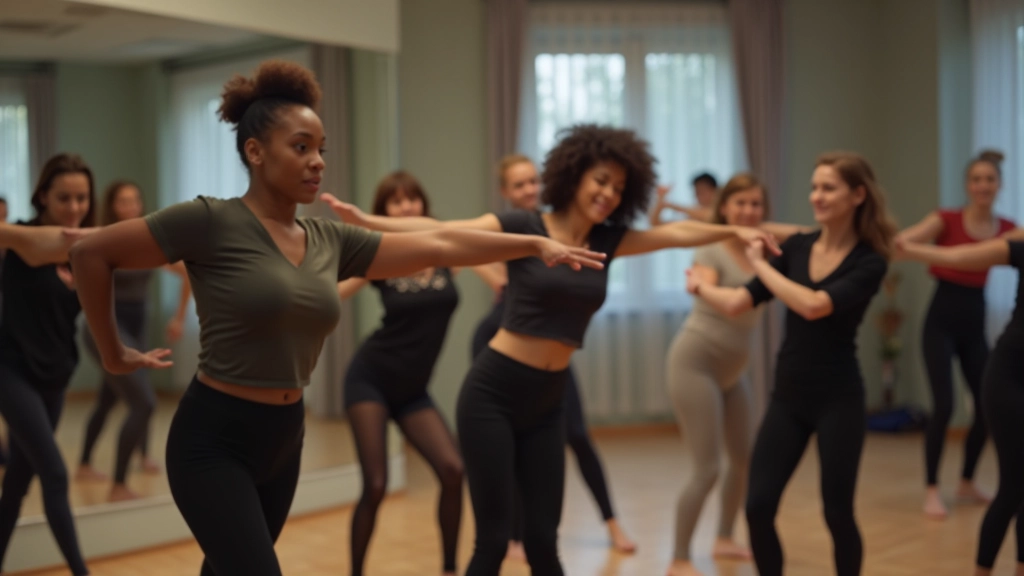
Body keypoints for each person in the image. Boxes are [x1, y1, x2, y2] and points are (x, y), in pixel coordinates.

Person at [68, 60, 604, 576]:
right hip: (213, 438)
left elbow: (438, 241)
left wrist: (533, 243)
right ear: (255, 151)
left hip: (283, 437)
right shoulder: (209, 222)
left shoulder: (329, 239)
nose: (317, 161)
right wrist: (113, 353)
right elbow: (92, 255)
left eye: (320, 149)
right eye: (300, 148)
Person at [322, 123, 780, 576]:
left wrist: (731, 232)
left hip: (548, 400)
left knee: (544, 542)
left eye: (620, 187)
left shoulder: (608, 241)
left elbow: (675, 235)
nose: (609, 194)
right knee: (494, 542)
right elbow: (443, 230)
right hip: (493, 394)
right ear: (575, 174)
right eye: (601, 180)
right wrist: (367, 222)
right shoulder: (525, 226)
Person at [688, 152, 896, 576]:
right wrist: (702, 289)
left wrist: (762, 265)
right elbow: (736, 302)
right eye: (815, 186)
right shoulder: (797, 248)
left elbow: (815, 305)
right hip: (789, 396)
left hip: (839, 396)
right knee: (758, 506)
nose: (816, 195)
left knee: (837, 513)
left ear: (858, 195)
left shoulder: (870, 260)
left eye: (828, 187)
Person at [470, 154, 636, 561]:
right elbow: (451, 240)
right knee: (502, 470)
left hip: (551, 367)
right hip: (501, 345)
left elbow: (673, 235)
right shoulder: (514, 227)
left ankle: (610, 520)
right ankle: (510, 533)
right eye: (520, 185)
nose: (529, 190)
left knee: (576, 434)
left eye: (533, 182)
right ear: (507, 193)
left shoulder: (570, 230)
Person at [660, 173, 809, 576]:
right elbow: (712, 289)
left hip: (732, 371)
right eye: (739, 203)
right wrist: (703, 288)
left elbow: (809, 233)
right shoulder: (711, 247)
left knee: (742, 460)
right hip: (695, 363)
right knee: (706, 467)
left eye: (756, 204)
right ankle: (679, 557)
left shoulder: (766, 248)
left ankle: (725, 537)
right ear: (724, 207)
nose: (748, 211)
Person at [338, 171, 465, 576]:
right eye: (396, 202)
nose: (407, 206)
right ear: (383, 213)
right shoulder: (379, 259)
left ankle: (448, 568)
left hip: (413, 392)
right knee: (375, 485)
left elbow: (495, 268)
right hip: (370, 380)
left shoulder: (447, 252)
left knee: (453, 470)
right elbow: (331, 292)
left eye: (413, 198)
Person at [896, 233, 1024, 576]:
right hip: (1011, 377)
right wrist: (909, 249)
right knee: (1014, 485)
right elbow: (961, 256)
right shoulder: (1022, 244)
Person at [896, 149, 1014, 518]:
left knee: (985, 406)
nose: (983, 186)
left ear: (999, 185)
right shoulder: (945, 219)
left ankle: (965, 481)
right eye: (976, 180)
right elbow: (905, 241)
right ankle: (932, 487)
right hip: (940, 322)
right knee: (944, 405)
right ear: (968, 185)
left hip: (974, 322)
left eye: (989, 180)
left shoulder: (1009, 229)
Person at [0, 153, 97, 576]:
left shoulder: (87, 246)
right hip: (11, 371)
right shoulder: (20, 236)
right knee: (55, 473)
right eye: (64, 198)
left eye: (82, 198)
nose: (74, 207)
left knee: (17, 483)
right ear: (42, 197)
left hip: (56, 375)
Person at [75, 180, 192, 501]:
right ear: (112, 206)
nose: (130, 206)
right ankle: (118, 485)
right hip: (107, 329)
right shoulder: (104, 238)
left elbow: (187, 273)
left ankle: (89, 463)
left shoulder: (149, 241)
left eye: (135, 200)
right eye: (123, 201)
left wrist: (179, 317)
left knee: (110, 398)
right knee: (144, 401)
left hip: (137, 327)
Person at [650, 172, 719, 224]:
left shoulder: (722, 211)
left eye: (702, 191)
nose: (698, 196)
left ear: (715, 191)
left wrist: (672, 206)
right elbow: (656, 223)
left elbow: (710, 216)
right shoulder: (691, 217)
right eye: (696, 192)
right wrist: (660, 199)